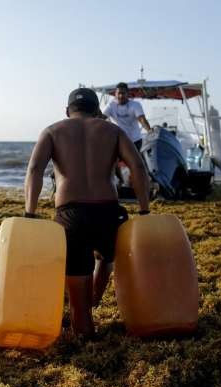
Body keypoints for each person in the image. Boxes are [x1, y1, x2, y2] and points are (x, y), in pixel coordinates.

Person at [24, 88, 151, 339]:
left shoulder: (52, 131)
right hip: (108, 212)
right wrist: (144, 209)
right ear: (97, 111)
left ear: (67, 111)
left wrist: (30, 213)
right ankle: (94, 298)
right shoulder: (113, 131)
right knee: (106, 257)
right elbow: (137, 166)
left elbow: (35, 169)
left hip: (72, 214)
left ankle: (84, 325)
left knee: (78, 298)